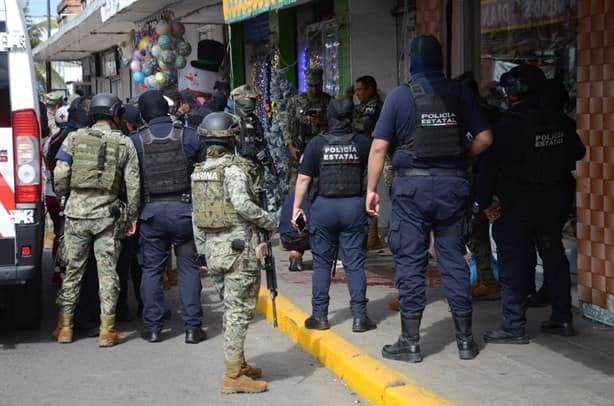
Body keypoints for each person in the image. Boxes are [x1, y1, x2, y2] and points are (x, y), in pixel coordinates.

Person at [366, 36, 493, 362]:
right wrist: (461, 158)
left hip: (412, 192)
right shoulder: (460, 93)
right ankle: (465, 341)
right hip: (452, 189)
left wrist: (372, 190)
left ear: (413, 62)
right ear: (440, 61)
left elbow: (379, 147)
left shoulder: (399, 96)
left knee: (411, 261)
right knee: (452, 260)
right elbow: (485, 137)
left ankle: (410, 343)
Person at [478, 65, 586, 343]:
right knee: (553, 255)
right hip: (553, 203)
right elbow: (578, 151)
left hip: (516, 205)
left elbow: (487, 167)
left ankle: (514, 326)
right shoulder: (558, 120)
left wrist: (485, 201)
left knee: (513, 261)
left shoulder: (509, 124)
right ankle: (562, 318)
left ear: (512, 93)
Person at [192, 112, 278, 394]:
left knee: (231, 309)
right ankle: (232, 376)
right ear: (232, 139)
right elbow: (242, 205)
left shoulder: (199, 172)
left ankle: (238, 363)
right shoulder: (234, 170)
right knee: (238, 313)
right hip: (238, 251)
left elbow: (196, 217)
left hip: (214, 251)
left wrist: (202, 252)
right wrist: (269, 221)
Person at [52, 93, 140, 347]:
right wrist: (131, 216)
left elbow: (60, 173)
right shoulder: (124, 143)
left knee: (73, 271)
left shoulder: (73, 138)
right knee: (107, 273)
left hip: (76, 214)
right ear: (115, 115)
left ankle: (65, 327)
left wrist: (65, 196)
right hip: (108, 216)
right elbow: (133, 184)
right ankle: (107, 330)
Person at [293, 97, 376, 332]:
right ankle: (360, 317)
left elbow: (303, 178)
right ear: (352, 117)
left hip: (323, 208)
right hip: (353, 207)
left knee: (321, 263)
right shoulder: (362, 143)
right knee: (355, 264)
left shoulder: (316, 144)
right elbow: (372, 172)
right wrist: (371, 195)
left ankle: (319, 316)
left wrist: (296, 208)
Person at [130, 90, 206, 343]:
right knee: (187, 269)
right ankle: (193, 328)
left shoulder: (135, 141)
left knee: (151, 270)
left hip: (151, 215)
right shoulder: (190, 136)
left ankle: (153, 328)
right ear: (167, 109)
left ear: (142, 114)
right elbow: (204, 175)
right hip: (185, 212)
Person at [454, 72, 502, 301]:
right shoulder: (492, 113)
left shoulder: (473, 117)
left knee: (475, 231)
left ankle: (487, 280)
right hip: (498, 182)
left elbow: (479, 154)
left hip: (480, 182)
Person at [352, 75, 385, 251]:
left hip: (374, 153)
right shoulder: (363, 106)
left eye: (360, 89)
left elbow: (362, 125)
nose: (357, 93)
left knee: (369, 193)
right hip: (367, 153)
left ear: (370, 89)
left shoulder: (373, 106)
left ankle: (372, 235)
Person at [284, 69, 332, 186]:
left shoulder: (329, 101)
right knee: (296, 186)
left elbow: (336, 125)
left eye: (317, 85)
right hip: (300, 149)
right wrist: (290, 146)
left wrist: (321, 121)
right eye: (311, 85)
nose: (314, 89)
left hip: (322, 149)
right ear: (307, 84)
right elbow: (286, 126)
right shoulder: (295, 102)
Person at [44, 106, 69, 286]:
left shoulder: (48, 141)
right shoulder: (70, 140)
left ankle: (57, 272)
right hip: (63, 193)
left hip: (50, 192)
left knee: (58, 233)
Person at [279, 190, 311, 271]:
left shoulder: (290, 194)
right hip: (306, 235)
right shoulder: (314, 194)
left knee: (298, 231)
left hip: (286, 237)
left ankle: (295, 253)